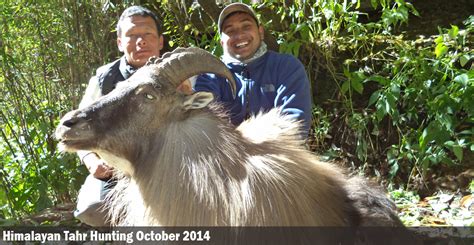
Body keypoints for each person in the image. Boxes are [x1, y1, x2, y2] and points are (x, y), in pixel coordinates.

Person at [74, 5, 164, 226]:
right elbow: (78, 127)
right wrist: (91, 162)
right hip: (117, 170)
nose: (140, 41)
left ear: (160, 41)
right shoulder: (104, 78)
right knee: (92, 209)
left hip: (166, 164)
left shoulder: (181, 72)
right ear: (120, 43)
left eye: (147, 35)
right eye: (132, 35)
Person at [194, 2, 312, 136]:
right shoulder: (210, 76)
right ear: (221, 42)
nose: (239, 35)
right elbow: (203, 125)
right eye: (230, 31)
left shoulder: (286, 67)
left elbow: (295, 124)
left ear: (260, 32)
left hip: (276, 153)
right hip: (224, 155)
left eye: (246, 26)